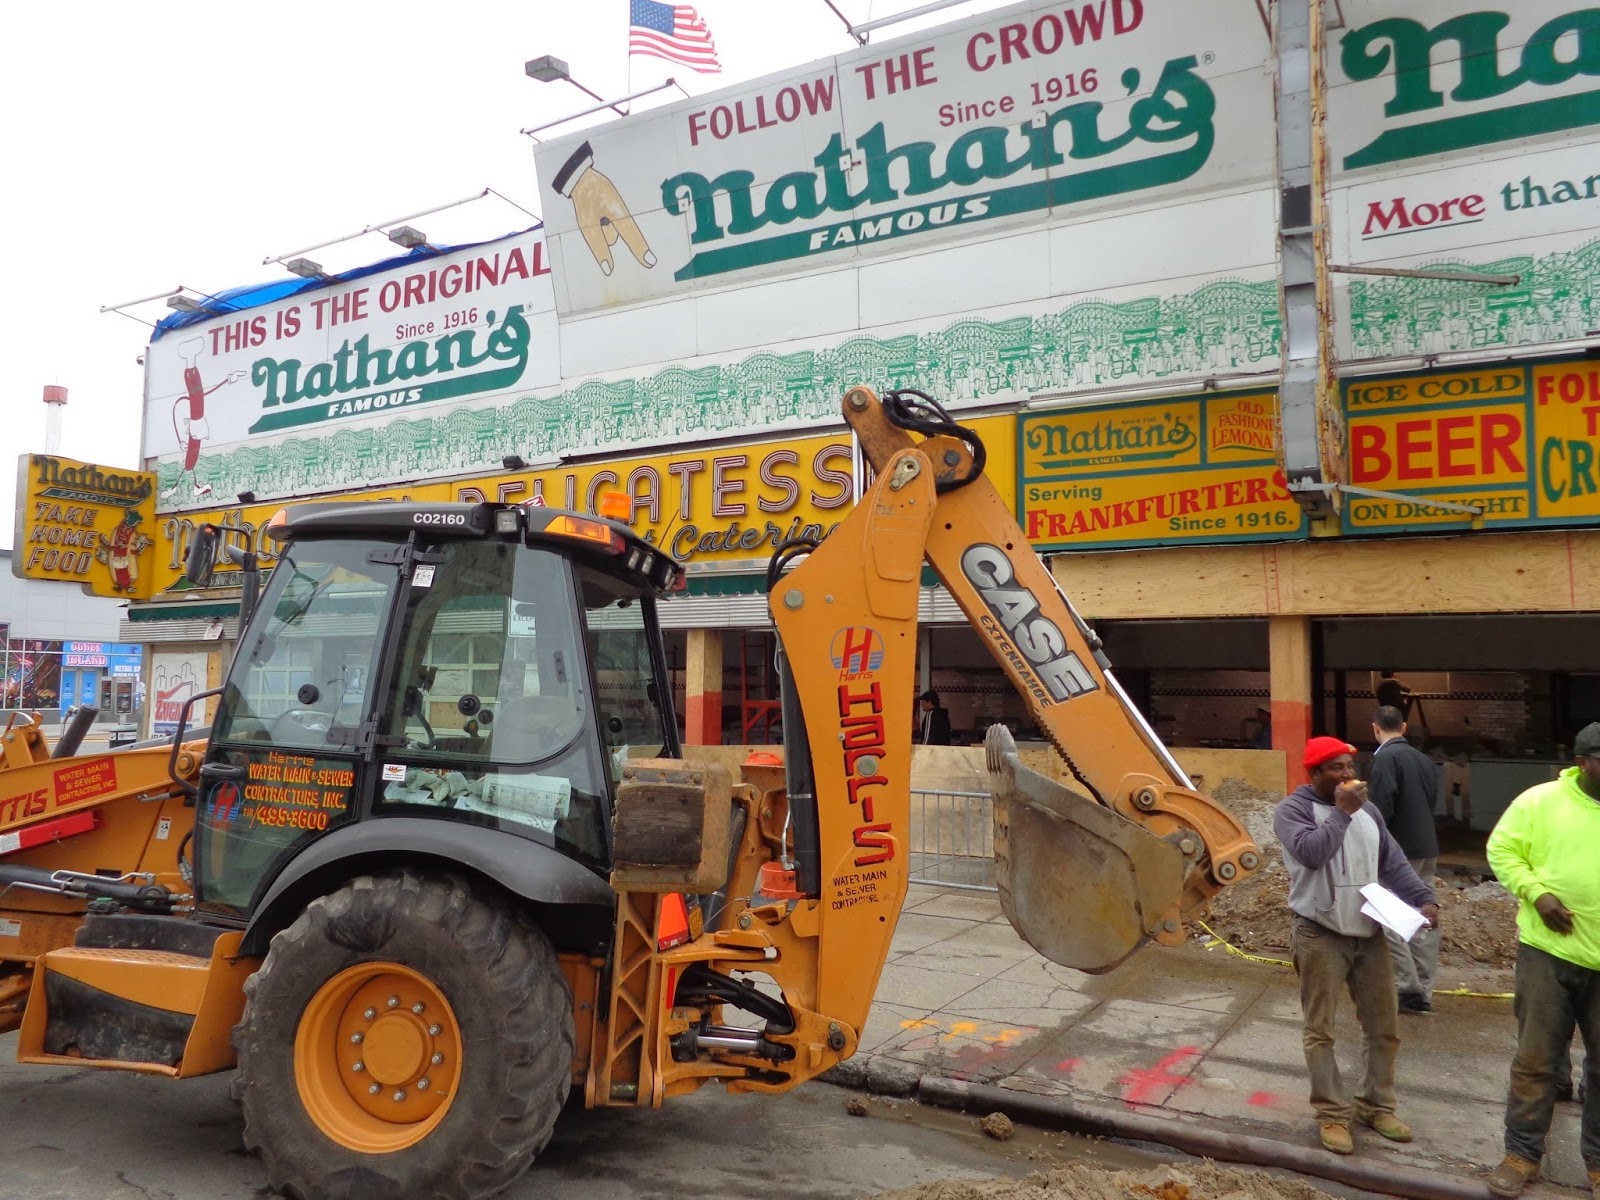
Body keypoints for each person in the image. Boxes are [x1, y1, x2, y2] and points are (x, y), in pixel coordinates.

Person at [1274, 735, 1439, 1157]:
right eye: (1336, 768)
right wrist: (1342, 814)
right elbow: (1312, 853)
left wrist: (1422, 897)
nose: (1348, 775)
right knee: (1321, 1029)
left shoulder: (1369, 811)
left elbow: (1392, 860)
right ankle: (1332, 1113)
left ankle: (1376, 1106)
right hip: (1320, 932)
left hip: (1369, 931)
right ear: (1314, 774)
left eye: (1350, 766)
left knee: (1384, 1026)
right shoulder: (1292, 811)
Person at [1482, 722, 1600, 1198]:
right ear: (1583, 762)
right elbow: (1502, 850)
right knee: (1536, 1060)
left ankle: (1597, 1161)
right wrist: (1538, 893)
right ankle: (1522, 1154)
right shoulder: (1540, 802)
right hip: (1548, 954)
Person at [1368, 705, 1443, 1014]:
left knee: (1391, 915)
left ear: (1375, 728)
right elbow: (1431, 800)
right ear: (1405, 725)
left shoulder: (1385, 758)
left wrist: (1373, 845)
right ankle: (1424, 988)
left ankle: (1405, 986)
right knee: (1424, 915)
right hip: (1427, 846)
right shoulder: (1423, 760)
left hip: (1398, 852)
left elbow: (1381, 807)